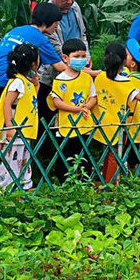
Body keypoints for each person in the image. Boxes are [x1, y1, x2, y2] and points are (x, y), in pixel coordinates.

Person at [92, 42, 140, 184]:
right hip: (119, 125)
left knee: (107, 154)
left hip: (101, 123)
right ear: (123, 61)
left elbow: (89, 73)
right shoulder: (125, 82)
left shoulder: (100, 76)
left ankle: (105, 182)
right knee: (114, 156)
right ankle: (111, 186)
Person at [0, 3, 68, 119]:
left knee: (0, 126)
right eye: (56, 22)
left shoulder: (16, 30)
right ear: (47, 22)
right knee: (18, 125)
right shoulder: (41, 39)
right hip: (8, 86)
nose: (57, 26)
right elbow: (61, 68)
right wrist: (89, 73)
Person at [38, 0, 92, 136]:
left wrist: (85, 57)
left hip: (76, 66)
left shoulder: (75, 7)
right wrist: (71, 65)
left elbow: (82, 34)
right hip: (53, 72)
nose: (70, 1)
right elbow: (55, 47)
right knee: (48, 115)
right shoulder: (46, 14)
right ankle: (47, 156)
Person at [48, 38, 96, 183]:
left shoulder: (87, 77)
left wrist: (86, 107)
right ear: (65, 58)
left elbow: (94, 97)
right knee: (66, 155)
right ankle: (64, 184)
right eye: (76, 56)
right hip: (65, 126)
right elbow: (57, 102)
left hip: (85, 124)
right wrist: (76, 109)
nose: (80, 59)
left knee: (84, 156)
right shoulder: (60, 79)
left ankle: (83, 182)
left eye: (83, 56)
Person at [0, 43, 41, 191]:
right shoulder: (17, 82)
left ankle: (23, 191)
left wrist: (36, 85)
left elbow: (30, 101)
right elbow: (7, 104)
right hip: (14, 131)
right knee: (10, 165)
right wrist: (10, 127)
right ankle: (4, 191)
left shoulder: (26, 82)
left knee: (23, 164)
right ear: (33, 64)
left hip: (24, 132)